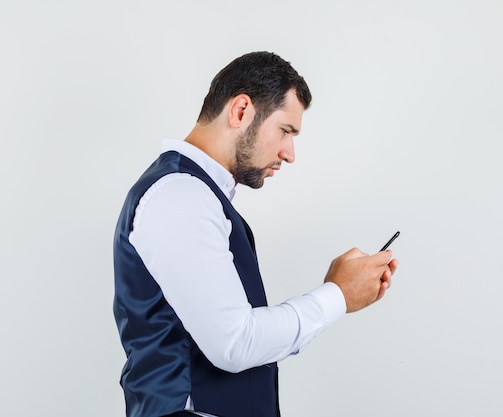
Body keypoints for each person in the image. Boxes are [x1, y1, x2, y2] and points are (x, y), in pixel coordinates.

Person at [113, 51, 399, 417]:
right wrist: (338, 295)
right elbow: (234, 343)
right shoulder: (179, 195)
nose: (289, 153)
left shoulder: (196, 196)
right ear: (241, 111)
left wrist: (336, 292)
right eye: (285, 130)